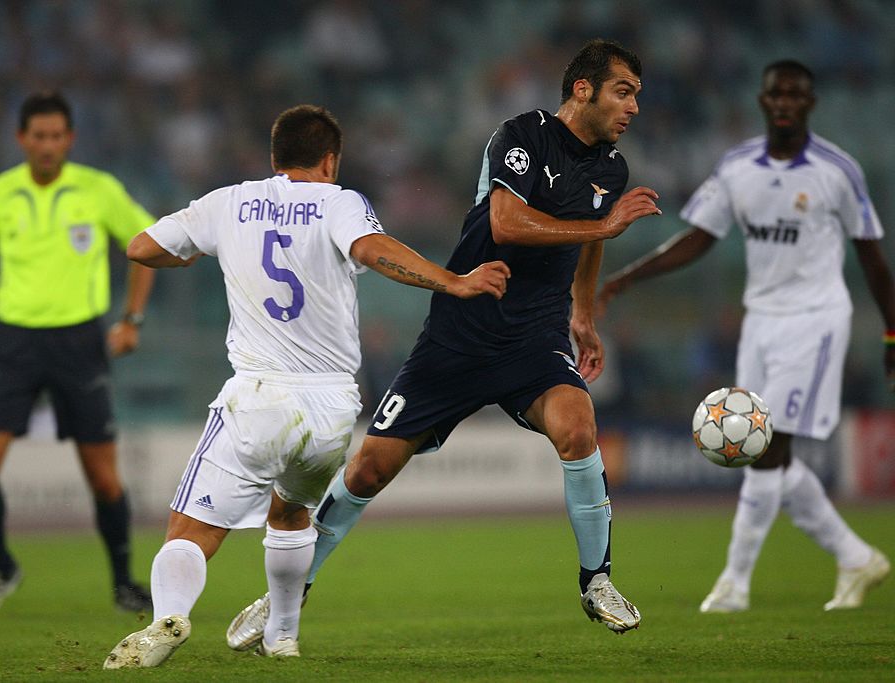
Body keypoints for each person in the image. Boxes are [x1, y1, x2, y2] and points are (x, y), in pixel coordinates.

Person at [225, 38, 661, 650]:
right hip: (462, 331)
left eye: (637, 94)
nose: (634, 106)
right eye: (624, 91)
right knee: (369, 469)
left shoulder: (610, 167)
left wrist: (583, 314)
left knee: (579, 427)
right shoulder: (520, 136)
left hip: (534, 336)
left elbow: (589, 243)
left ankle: (597, 581)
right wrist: (606, 223)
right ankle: (285, 594)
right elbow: (508, 224)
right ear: (582, 90)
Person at [102, 104, 509, 668]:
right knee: (292, 516)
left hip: (259, 397)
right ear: (330, 160)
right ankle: (283, 637)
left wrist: (207, 248)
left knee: (190, 529)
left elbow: (141, 248)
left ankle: (166, 617)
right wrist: (453, 281)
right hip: (332, 405)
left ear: (274, 159)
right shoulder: (342, 202)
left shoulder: (229, 202)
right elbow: (372, 251)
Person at [598, 60, 893, 612]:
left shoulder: (838, 170)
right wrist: (623, 279)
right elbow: (699, 238)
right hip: (760, 323)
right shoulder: (738, 167)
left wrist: (893, 334)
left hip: (815, 321)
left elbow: (872, 257)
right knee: (766, 453)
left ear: (810, 103)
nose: (784, 102)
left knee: (767, 450)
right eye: (775, 93)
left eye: (795, 95)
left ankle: (733, 583)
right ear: (762, 100)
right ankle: (855, 556)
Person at [0, 91, 157, 617]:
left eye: (56, 136)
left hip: (80, 342)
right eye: (38, 136)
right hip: (15, 343)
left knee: (103, 477)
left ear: (68, 139)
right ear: (21, 139)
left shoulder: (98, 190)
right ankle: (1, 566)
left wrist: (131, 320)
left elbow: (147, 246)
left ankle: (123, 582)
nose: (48, 145)